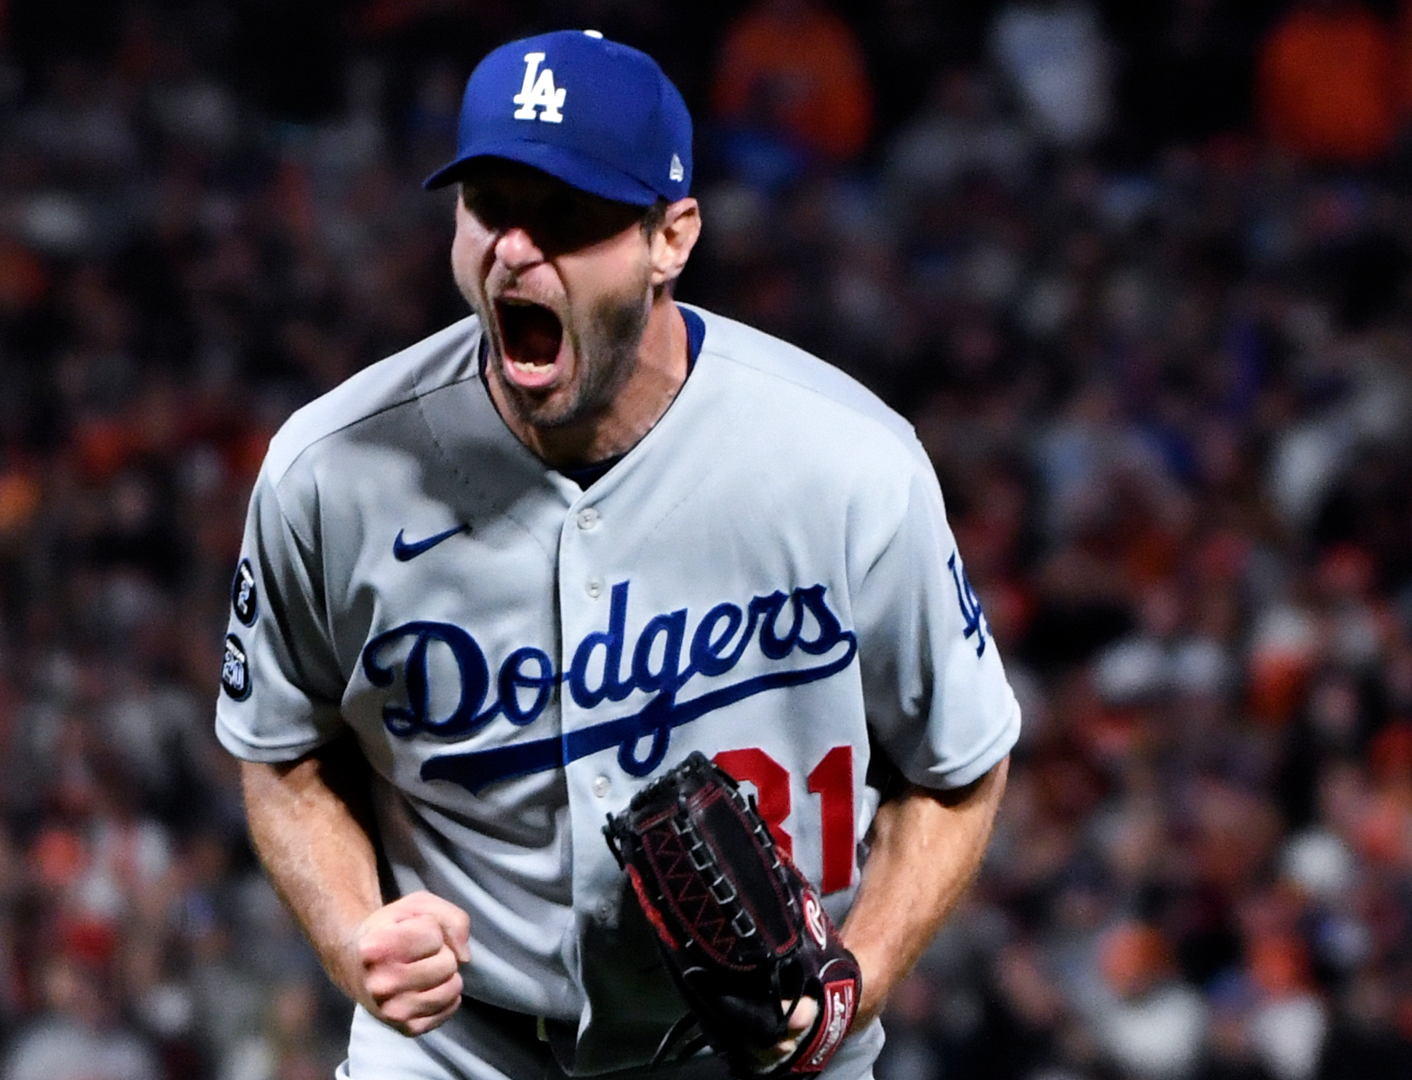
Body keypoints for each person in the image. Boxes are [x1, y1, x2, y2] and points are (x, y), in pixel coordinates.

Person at [214, 29, 1019, 1080]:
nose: (513, 249)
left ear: (671, 238)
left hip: (755, 1055)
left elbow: (958, 767)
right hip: (457, 1053)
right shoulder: (328, 473)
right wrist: (353, 932)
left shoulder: (848, 465)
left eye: (567, 217)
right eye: (489, 207)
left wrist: (853, 979)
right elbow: (280, 752)